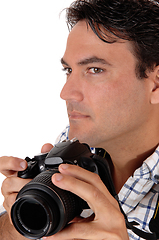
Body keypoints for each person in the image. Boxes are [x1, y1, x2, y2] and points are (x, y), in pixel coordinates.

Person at [0, 0, 159, 239]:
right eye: (69, 70)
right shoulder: (73, 145)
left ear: (155, 83)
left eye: (95, 69)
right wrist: (15, 225)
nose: (66, 93)